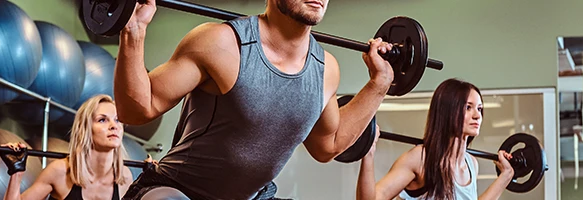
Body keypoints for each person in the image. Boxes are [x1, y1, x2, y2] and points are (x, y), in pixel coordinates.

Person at [115, 0, 394, 199]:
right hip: (176, 189)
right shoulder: (221, 44)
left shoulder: (325, 70)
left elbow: (327, 146)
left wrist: (379, 84)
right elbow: (137, 110)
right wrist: (134, 30)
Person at [355, 78, 515, 200]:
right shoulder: (421, 159)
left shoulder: (471, 164)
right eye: (468, 107)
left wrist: (506, 175)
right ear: (447, 111)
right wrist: (368, 152)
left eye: (479, 108)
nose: (477, 115)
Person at [0, 94, 134, 200]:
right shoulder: (60, 172)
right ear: (85, 129)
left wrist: (149, 188)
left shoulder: (124, 177)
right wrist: (16, 172)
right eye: (102, 120)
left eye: (117, 120)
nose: (114, 126)